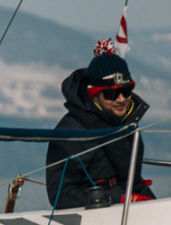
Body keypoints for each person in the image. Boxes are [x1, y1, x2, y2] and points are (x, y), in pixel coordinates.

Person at [45, 40, 154, 209]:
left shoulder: (128, 121)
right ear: (94, 94)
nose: (121, 99)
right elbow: (60, 193)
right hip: (100, 211)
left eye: (126, 91)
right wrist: (116, 199)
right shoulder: (72, 130)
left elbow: (132, 179)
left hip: (129, 199)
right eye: (111, 94)